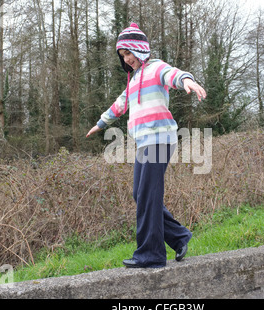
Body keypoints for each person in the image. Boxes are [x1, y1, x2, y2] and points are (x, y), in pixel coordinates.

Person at [86, 23, 206, 268]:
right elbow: (120, 104)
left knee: (148, 196)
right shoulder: (134, 80)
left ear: (140, 49)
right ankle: (179, 236)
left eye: (129, 53)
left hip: (160, 139)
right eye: (123, 56)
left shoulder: (156, 68)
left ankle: (150, 254)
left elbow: (173, 74)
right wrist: (101, 123)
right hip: (144, 143)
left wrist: (187, 81)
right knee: (140, 195)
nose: (127, 59)